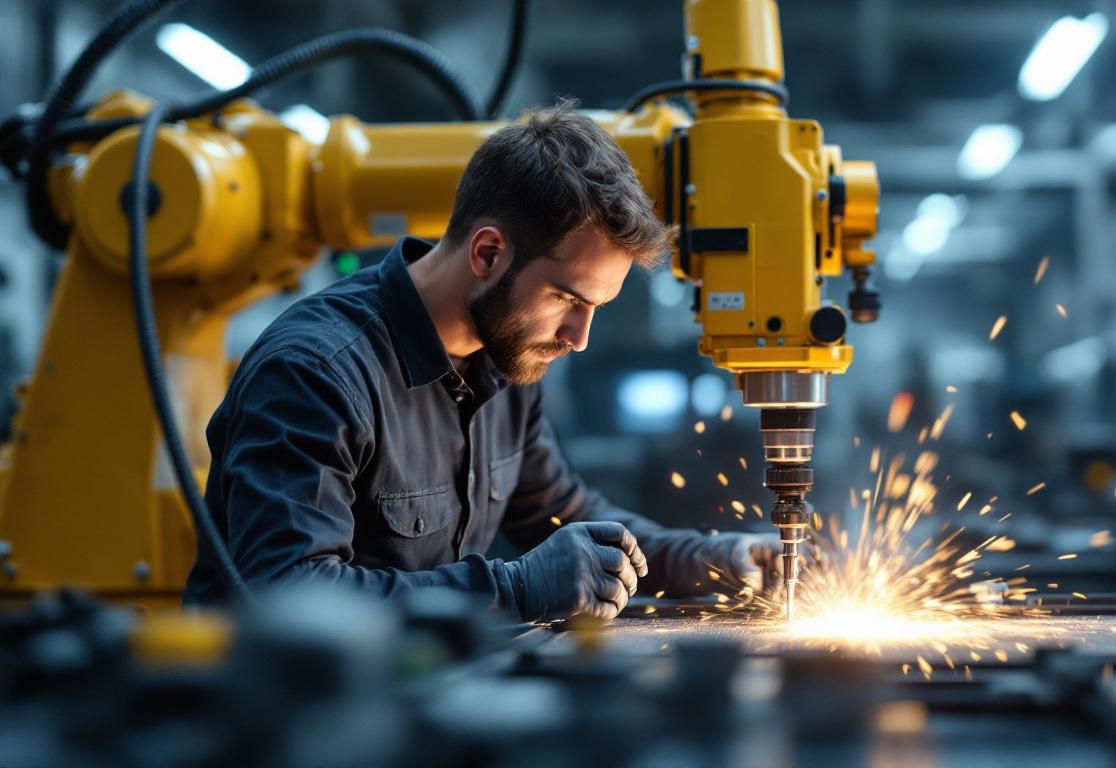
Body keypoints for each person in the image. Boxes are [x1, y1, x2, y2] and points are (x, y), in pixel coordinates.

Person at [185, 101, 781, 620]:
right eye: (568, 299)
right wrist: (513, 588)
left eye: (596, 307)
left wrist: (710, 560)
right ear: (488, 252)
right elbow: (293, 600)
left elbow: (561, 512)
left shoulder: (506, 361)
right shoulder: (316, 372)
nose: (580, 337)